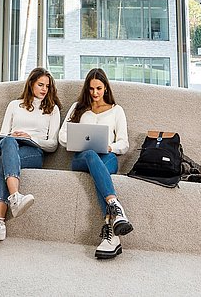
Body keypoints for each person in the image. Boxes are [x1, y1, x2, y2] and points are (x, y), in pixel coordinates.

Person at [59, 68, 132, 259]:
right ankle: (115, 206)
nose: (95, 93)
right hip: (82, 158)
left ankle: (111, 235)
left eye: (99, 88)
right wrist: (76, 142)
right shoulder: (77, 107)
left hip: (107, 157)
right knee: (91, 153)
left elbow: (124, 144)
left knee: (100, 165)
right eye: (91, 89)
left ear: (106, 88)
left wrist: (110, 147)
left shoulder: (117, 110)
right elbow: (62, 136)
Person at [0, 67, 61, 241]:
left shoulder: (52, 110)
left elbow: (53, 144)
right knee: (7, 142)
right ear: (31, 83)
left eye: (47, 86)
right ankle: (15, 197)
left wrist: (30, 137)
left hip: (34, 153)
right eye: (40, 84)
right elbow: (3, 135)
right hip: (9, 147)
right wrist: (12, 136)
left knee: (3, 163)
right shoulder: (14, 105)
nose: (44, 89)